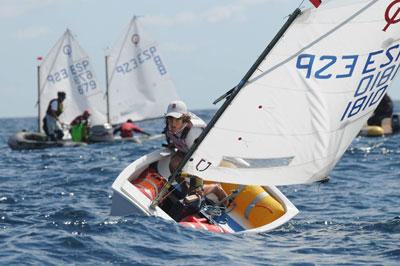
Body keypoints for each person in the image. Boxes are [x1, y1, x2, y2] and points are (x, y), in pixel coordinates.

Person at [164, 100, 228, 208]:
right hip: (188, 152)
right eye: (170, 119)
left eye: (177, 119)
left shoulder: (193, 132)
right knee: (173, 164)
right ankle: (185, 189)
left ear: (184, 118)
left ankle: (215, 188)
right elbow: (176, 140)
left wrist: (196, 184)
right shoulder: (170, 127)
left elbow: (198, 158)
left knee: (195, 194)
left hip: (204, 158)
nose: (173, 123)